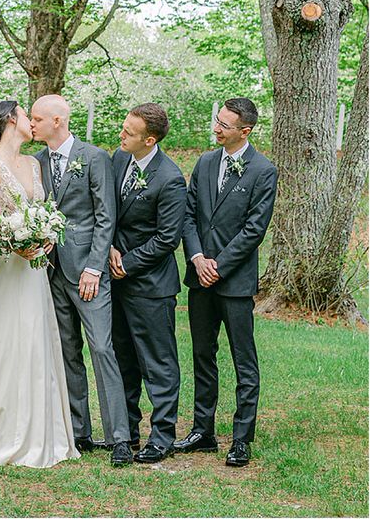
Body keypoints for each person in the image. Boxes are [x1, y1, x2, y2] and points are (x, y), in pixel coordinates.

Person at [0, 100, 79, 468]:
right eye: (27, 115)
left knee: (32, 339)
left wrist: (44, 237)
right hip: (3, 269)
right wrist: (12, 241)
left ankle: (35, 429)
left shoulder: (33, 164)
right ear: (12, 120)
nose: (31, 120)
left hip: (33, 271)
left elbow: (42, 212)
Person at [30, 93, 133, 466]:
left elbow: (106, 216)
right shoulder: (36, 162)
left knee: (102, 349)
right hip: (50, 268)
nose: (31, 123)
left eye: (37, 118)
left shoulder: (93, 157)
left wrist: (94, 267)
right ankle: (79, 430)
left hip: (87, 271)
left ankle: (120, 436)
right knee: (66, 350)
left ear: (58, 121)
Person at [175, 97, 278, 467]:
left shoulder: (263, 170)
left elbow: (254, 230)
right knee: (203, 355)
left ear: (245, 131)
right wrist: (198, 257)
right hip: (200, 277)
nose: (216, 128)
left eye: (224, 125)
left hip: (234, 282)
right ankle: (202, 431)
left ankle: (240, 438)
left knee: (242, 359)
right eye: (216, 120)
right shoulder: (204, 163)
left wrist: (218, 265)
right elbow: (189, 214)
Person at [109, 104, 187, 462]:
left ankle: (162, 436)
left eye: (129, 132)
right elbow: (108, 211)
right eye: (123, 128)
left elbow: (168, 238)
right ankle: (125, 433)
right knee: (124, 359)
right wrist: (108, 248)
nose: (121, 135)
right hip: (116, 279)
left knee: (158, 363)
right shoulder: (118, 159)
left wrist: (127, 263)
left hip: (151, 285)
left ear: (149, 139)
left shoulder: (169, 177)